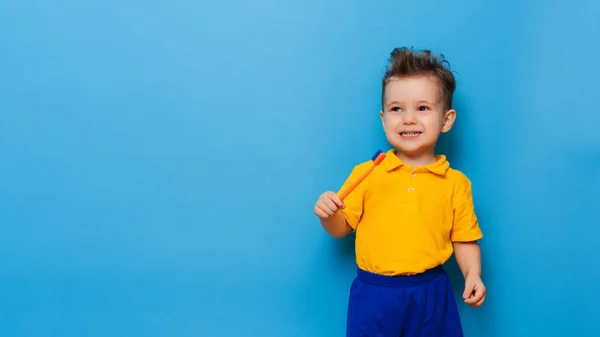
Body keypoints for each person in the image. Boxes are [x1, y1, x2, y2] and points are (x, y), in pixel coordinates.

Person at [313, 47, 486, 337]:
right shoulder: (367, 173)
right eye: (397, 109)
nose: (408, 119)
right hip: (374, 295)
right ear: (383, 119)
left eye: (422, 108)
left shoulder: (456, 183)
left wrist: (473, 274)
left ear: (446, 120)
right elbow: (340, 227)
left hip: (432, 294)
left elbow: (464, 238)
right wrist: (328, 214)